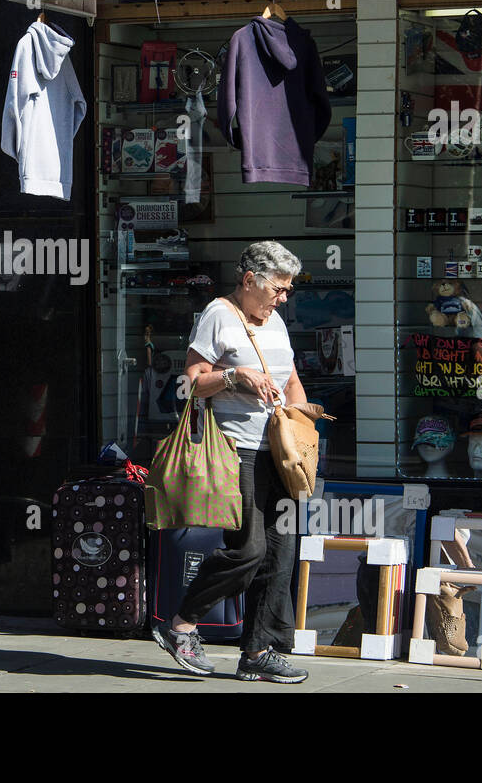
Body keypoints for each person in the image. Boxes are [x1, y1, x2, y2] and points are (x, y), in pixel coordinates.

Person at [152, 240, 311, 683]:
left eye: (287, 290)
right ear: (248, 281)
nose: (283, 298)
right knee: (248, 547)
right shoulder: (219, 315)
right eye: (278, 289)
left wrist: (302, 427)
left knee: (281, 553)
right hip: (234, 449)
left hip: (278, 452)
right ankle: (182, 624)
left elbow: (291, 378)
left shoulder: (275, 320)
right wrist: (235, 375)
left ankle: (259, 650)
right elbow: (191, 382)